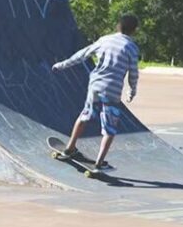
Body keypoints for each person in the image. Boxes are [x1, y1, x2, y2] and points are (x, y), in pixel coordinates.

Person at [51, 14, 140, 172]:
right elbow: (133, 73)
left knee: (85, 115)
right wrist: (132, 90)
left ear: (118, 26)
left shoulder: (105, 40)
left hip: (95, 86)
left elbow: (83, 54)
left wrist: (62, 65)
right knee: (109, 128)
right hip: (112, 90)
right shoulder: (132, 48)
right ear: (134, 31)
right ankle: (98, 164)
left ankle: (69, 148)